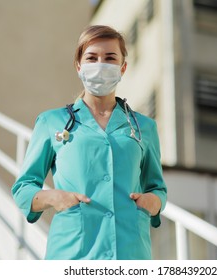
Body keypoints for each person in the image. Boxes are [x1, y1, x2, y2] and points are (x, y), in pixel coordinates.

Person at [11, 25, 167, 260]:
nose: (100, 64)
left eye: (110, 58)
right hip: (72, 253)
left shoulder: (144, 127)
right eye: (92, 58)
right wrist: (55, 197)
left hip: (130, 253)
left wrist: (153, 203)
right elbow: (23, 188)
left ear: (122, 68)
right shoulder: (52, 121)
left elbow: (157, 186)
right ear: (79, 66)